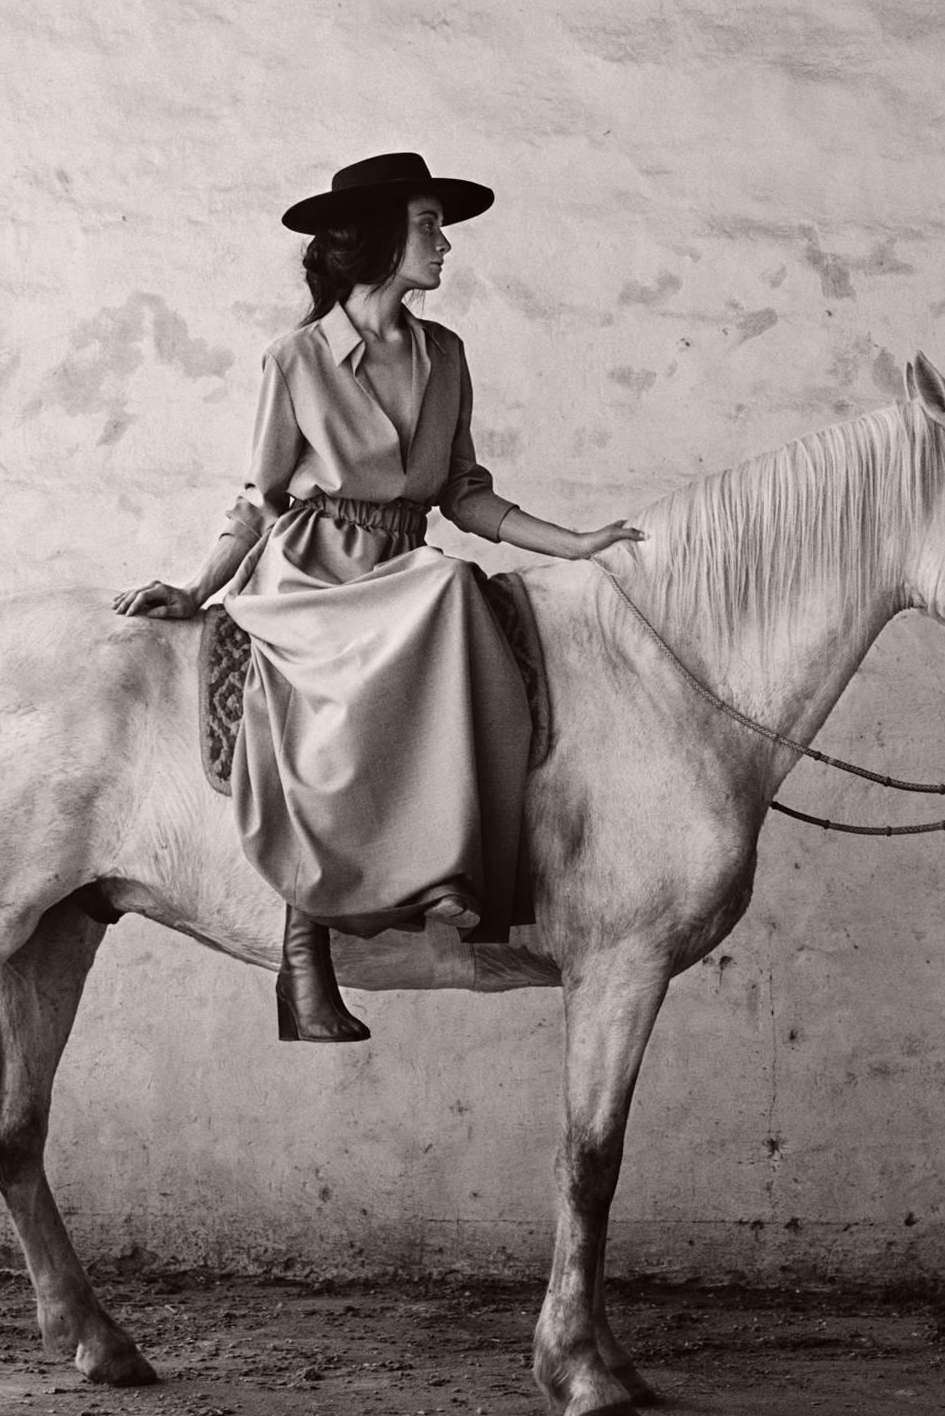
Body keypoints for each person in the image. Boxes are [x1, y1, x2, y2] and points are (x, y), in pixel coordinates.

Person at [115, 153, 643, 1043]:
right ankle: (308, 950)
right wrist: (197, 586)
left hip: (401, 575)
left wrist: (578, 544)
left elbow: (465, 493)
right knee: (441, 593)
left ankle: (444, 872)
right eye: (430, 225)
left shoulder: (446, 353)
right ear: (381, 237)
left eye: (442, 226)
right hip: (312, 576)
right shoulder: (295, 359)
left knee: (454, 592)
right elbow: (259, 497)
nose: (446, 246)